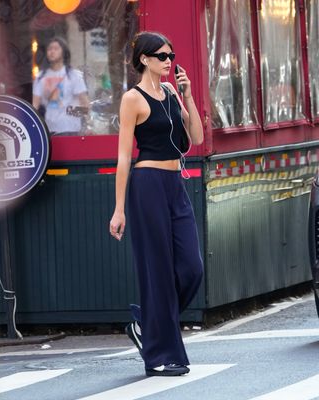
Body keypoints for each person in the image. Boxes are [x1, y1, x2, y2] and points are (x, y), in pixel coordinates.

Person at [109, 31, 204, 377]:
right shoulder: (132, 99)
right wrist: (119, 210)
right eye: (162, 56)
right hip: (147, 185)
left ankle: (148, 325)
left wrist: (189, 97)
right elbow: (123, 158)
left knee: (192, 268)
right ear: (145, 59)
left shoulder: (172, 93)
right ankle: (161, 354)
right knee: (158, 271)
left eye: (171, 55)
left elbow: (195, 139)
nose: (169, 62)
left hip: (174, 185)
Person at [33, 37, 89, 135]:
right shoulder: (40, 77)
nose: (52, 51)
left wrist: (70, 112)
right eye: (49, 49)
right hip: (49, 129)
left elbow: (85, 104)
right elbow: (35, 106)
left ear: (64, 52)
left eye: (56, 48)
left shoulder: (73, 75)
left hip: (71, 129)